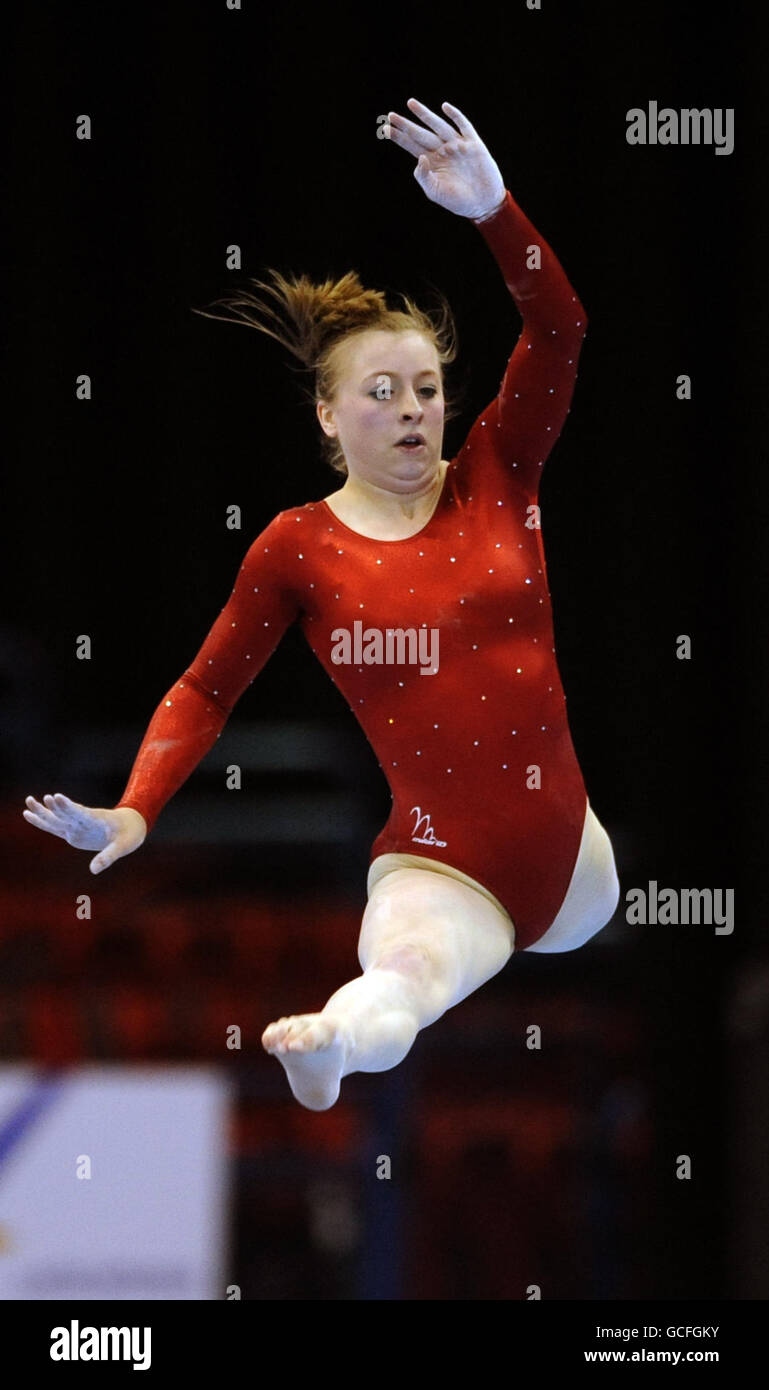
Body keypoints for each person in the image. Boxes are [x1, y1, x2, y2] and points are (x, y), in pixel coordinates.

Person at [23, 98, 620, 1111]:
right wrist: (136, 806)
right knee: (402, 980)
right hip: (442, 862)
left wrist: (493, 210)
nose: (413, 411)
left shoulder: (497, 471)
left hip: (575, 865)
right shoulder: (299, 547)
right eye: (382, 392)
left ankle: (345, 1034)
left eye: (427, 388)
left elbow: (559, 329)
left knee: (509, 937)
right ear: (327, 414)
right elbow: (206, 688)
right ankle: (330, 1045)